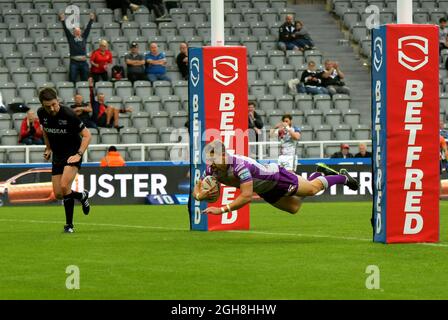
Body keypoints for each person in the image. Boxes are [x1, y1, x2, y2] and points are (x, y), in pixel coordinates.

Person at [192, 140, 359, 215]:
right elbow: (197, 186)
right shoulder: (212, 169)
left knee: (312, 190)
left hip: (276, 178)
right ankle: (320, 173)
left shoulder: (240, 167)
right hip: (265, 189)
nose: (210, 163)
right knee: (294, 208)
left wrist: (221, 210)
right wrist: (200, 195)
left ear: (223, 155)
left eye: (213, 158)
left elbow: (246, 197)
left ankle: (342, 178)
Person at [37, 87, 91, 233]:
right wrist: (48, 148)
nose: (52, 108)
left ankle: (69, 225)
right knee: (58, 193)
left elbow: (87, 135)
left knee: (64, 185)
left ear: (57, 100)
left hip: (73, 153)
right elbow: (45, 130)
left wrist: (79, 154)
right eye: (48, 106)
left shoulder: (68, 114)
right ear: (42, 105)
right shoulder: (41, 113)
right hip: (58, 155)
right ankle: (81, 195)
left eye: (54, 104)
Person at [60, 12, 95, 84]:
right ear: (73, 32)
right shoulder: (71, 38)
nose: (77, 32)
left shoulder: (84, 37)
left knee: (85, 79)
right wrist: (63, 20)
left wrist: (91, 19)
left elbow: (88, 29)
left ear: (81, 32)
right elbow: (66, 30)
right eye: (76, 31)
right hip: (74, 62)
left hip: (83, 62)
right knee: (72, 79)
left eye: (79, 31)